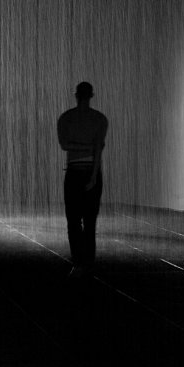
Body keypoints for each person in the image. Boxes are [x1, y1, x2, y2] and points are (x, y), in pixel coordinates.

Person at [57, 81, 108, 278]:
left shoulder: (66, 118)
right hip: (91, 172)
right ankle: (88, 263)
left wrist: (78, 146)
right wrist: (94, 175)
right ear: (91, 95)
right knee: (89, 221)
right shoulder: (100, 119)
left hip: (74, 171)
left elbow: (65, 145)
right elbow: (98, 150)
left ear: (76, 95)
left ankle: (78, 262)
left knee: (73, 220)